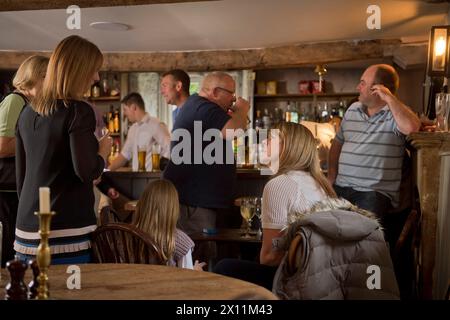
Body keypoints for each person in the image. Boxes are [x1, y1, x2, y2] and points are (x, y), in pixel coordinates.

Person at [14, 35, 112, 264]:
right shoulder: (78, 111)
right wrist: (103, 151)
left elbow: (22, 177)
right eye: (94, 70)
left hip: (26, 230)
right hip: (66, 232)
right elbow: (87, 172)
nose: (96, 77)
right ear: (79, 70)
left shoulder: (27, 113)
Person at [214, 122, 336, 290]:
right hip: (322, 277)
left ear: (288, 148)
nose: (263, 141)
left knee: (223, 268)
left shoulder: (279, 184)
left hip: (296, 281)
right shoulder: (319, 183)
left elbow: (269, 258)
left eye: (270, 138)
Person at [327, 64, 421, 244]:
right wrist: (331, 176)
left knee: (361, 245)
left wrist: (390, 99)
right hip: (341, 187)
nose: (357, 87)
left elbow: (412, 128)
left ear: (380, 89)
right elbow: (337, 143)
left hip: (373, 192)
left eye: (362, 83)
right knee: (332, 240)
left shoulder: (396, 114)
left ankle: (366, 273)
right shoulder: (353, 109)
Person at [163, 71, 250, 261]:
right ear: (216, 92)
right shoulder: (205, 107)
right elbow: (234, 130)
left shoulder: (199, 106)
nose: (234, 99)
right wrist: (243, 109)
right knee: (198, 258)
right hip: (194, 204)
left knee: (199, 257)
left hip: (195, 201)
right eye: (232, 94)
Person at [0, 55, 48, 266]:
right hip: (5, 194)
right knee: (8, 256)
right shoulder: (15, 100)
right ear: (34, 76)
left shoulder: (32, 105)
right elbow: (1, 147)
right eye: (46, 76)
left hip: (19, 193)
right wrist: (38, 144)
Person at [133, 179, 206, 270]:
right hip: (167, 284)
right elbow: (187, 279)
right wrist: (196, 271)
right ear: (173, 209)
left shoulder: (127, 235)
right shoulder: (180, 241)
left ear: (142, 204)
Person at [108, 92, 170, 172]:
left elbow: (169, 147)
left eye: (125, 109)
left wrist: (162, 170)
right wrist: (107, 170)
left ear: (134, 107)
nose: (124, 114)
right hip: (137, 178)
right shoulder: (133, 129)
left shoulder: (156, 124)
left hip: (152, 178)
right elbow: (124, 155)